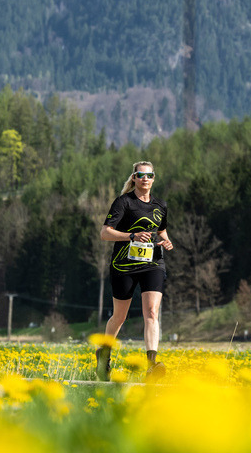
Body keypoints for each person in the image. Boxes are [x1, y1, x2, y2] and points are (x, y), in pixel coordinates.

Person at [96, 160, 173, 380]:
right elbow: (105, 233)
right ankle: (104, 355)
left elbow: (162, 229)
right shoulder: (123, 203)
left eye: (149, 175)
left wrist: (166, 241)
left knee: (151, 312)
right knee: (119, 317)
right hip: (124, 264)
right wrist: (131, 236)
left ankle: (151, 365)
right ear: (134, 178)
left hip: (153, 263)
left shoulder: (161, 205)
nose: (145, 179)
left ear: (154, 178)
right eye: (141, 175)